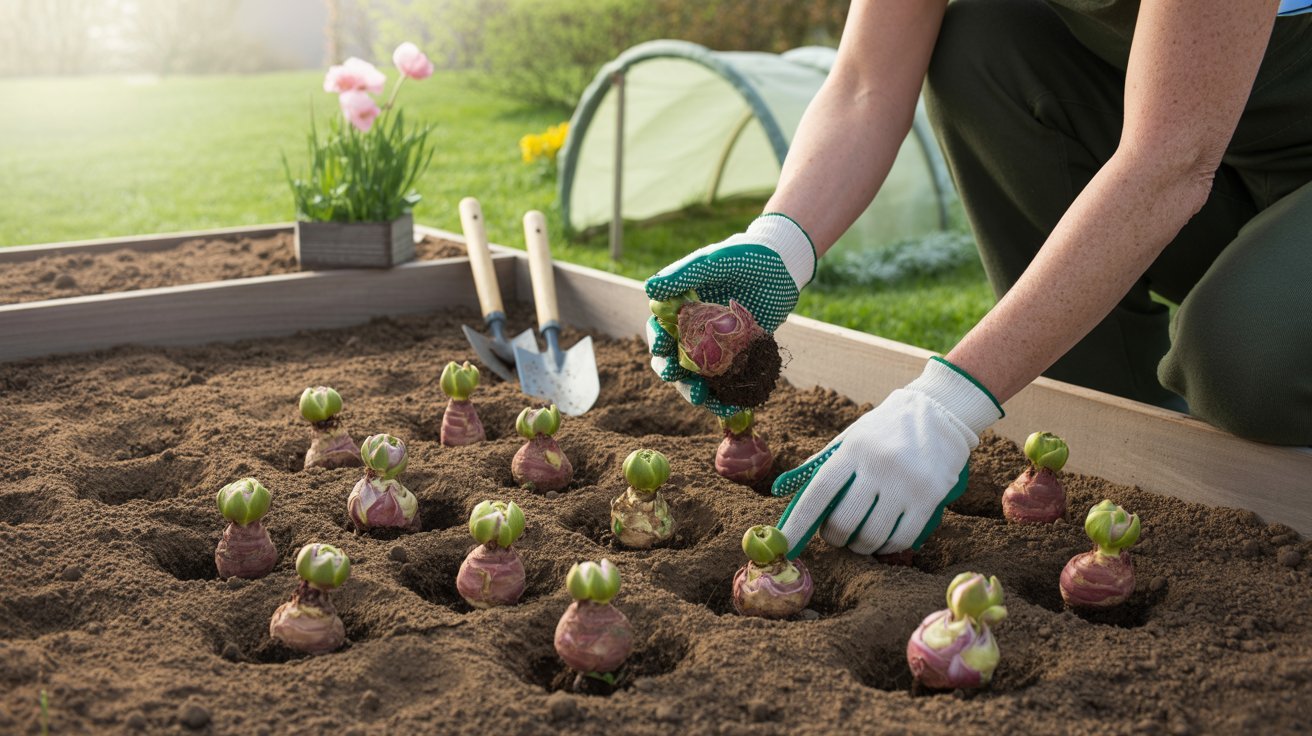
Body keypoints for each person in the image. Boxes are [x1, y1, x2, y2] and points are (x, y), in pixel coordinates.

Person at [644, 0, 1312, 560]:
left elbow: (1171, 159)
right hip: (1206, 145)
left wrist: (947, 403)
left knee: (1240, 359)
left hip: (1209, 148)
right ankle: (1127, 437)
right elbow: (864, 82)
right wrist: (779, 242)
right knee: (982, 34)